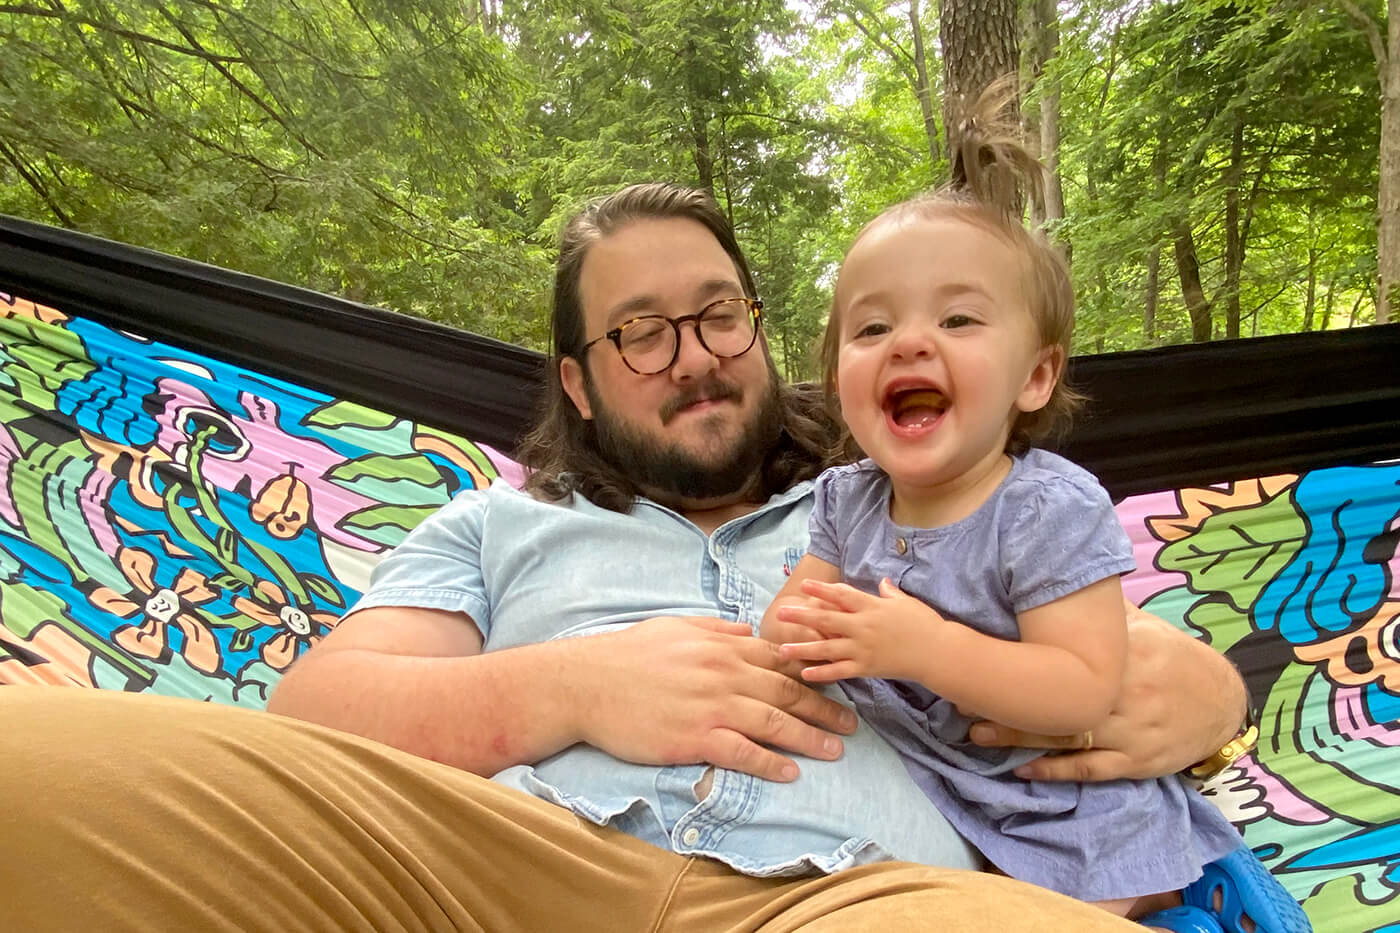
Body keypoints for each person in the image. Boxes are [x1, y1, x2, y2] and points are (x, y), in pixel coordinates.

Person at [6, 180, 1255, 932]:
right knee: (34, 767)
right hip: (488, 875)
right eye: (639, 333)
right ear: (580, 383)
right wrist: (576, 688)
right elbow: (320, 707)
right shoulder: (491, 523)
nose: (693, 353)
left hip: (861, 897)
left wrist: (1208, 689)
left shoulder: (908, 499)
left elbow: (1094, 660)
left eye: (718, 315)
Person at [760, 99, 1308, 933]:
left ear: (1036, 377)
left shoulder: (1046, 508)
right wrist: (792, 637)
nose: (909, 341)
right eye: (872, 325)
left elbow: (1082, 688)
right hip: (945, 791)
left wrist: (922, 646)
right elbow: (796, 621)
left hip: (1067, 806)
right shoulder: (846, 498)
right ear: (837, 375)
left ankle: (1200, 905)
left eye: (957, 319)